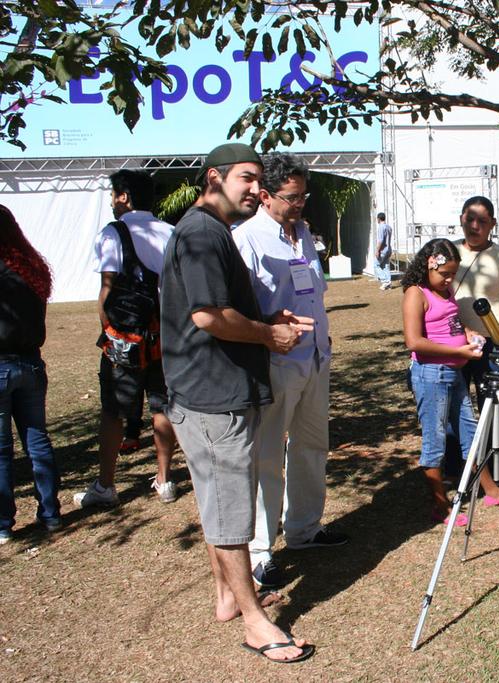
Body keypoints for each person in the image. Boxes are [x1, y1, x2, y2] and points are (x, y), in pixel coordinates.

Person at [160, 143, 315, 663]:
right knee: (229, 509)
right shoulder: (203, 233)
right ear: (214, 177)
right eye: (246, 178)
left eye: (258, 180)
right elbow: (208, 316)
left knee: (217, 501)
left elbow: (219, 312)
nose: (254, 188)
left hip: (215, 391)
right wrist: (270, 337)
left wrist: (271, 324)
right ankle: (255, 622)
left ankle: (228, 596)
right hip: (212, 397)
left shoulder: (208, 230)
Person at [233, 153, 349, 591]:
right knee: (266, 456)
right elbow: (239, 308)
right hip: (276, 362)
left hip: (316, 359)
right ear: (265, 196)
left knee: (312, 446)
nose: (301, 204)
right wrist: (268, 328)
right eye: (292, 197)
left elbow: (313, 292)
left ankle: (303, 529)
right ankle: (261, 551)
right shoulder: (247, 239)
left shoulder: (302, 233)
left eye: (304, 195)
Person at [75, 169, 179, 508]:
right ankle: (164, 479)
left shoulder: (113, 233)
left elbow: (108, 285)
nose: (111, 202)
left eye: (113, 195)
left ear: (124, 196)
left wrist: (107, 329)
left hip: (126, 338)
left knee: (114, 412)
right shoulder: (170, 232)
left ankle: (106, 484)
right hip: (165, 336)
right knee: (162, 405)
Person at [401, 238, 499, 524]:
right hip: (431, 375)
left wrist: (469, 335)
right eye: (445, 273)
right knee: (435, 439)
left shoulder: (445, 289)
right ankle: (440, 505)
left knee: (469, 433)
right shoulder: (416, 293)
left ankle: (491, 491)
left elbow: (451, 321)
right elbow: (413, 341)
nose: (449, 279)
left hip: (454, 372)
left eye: (452, 274)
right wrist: (457, 350)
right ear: (429, 264)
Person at [453, 195, 499, 503]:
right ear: (461, 219)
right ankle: (458, 469)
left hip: (491, 342)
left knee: (490, 406)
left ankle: (495, 468)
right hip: (453, 343)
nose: (475, 226)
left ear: (493, 223)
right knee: (454, 407)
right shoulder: (448, 253)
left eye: (482, 220)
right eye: (470, 219)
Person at [0, 205, 60, 544]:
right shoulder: (31, 267)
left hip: (3, 363)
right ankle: (50, 512)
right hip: (31, 363)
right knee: (37, 439)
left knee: (2, 449)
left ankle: (4, 523)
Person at [374, 212, 393, 290]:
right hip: (389, 249)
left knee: (376, 265)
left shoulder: (381, 227)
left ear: (378, 219)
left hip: (383, 250)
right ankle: (388, 282)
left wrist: (377, 250)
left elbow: (381, 240)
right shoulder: (389, 227)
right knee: (385, 266)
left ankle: (385, 281)